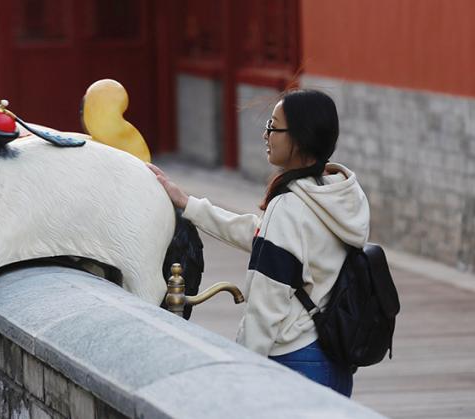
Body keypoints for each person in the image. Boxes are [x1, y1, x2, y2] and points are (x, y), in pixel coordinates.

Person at [148, 89, 370, 397]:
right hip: (334, 359)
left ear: (300, 138)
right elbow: (263, 235)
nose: (266, 134)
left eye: (273, 126)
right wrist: (189, 203)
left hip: (295, 362)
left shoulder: (290, 206)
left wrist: (241, 372)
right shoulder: (338, 195)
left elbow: (266, 305)